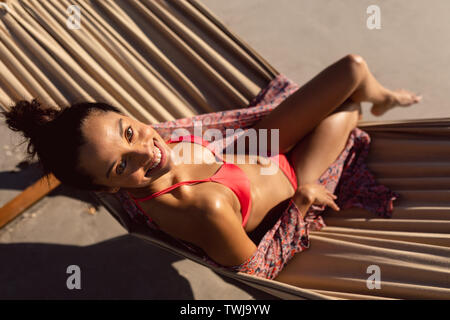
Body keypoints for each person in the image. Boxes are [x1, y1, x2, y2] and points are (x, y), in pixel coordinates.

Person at [2, 54, 421, 268]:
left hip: (257, 144)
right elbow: (251, 269)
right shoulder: (202, 209)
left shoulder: (154, 143)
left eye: (129, 131)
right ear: (111, 189)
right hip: (296, 178)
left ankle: (381, 96)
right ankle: (375, 102)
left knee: (353, 68)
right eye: (121, 166)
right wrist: (300, 203)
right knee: (347, 108)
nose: (147, 150)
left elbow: (169, 143)